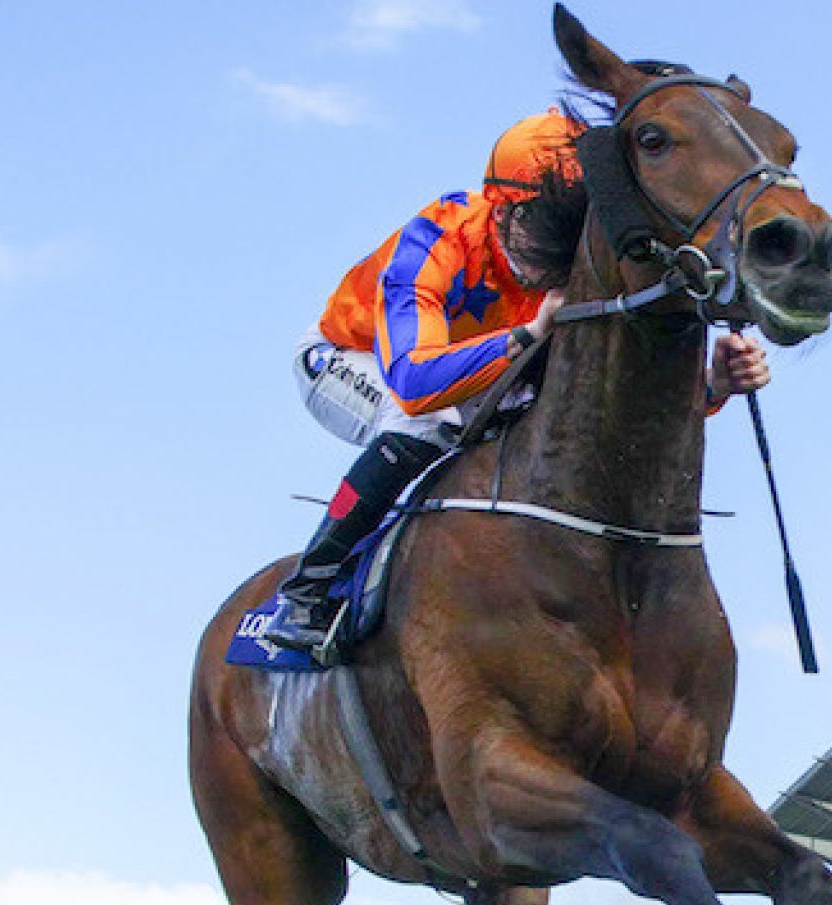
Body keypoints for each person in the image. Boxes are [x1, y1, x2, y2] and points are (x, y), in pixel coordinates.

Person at [264, 98, 774, 654]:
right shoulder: (436, 238)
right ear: (501, 209)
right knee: (428, 422)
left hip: (470, 371)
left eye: (575, 222)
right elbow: (412, 384)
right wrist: (528, 335)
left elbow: (590, 402)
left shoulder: (561, 267)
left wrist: (713, 386)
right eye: (542, 222)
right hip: (349, 360)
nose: (558, 242)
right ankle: (307, 592)